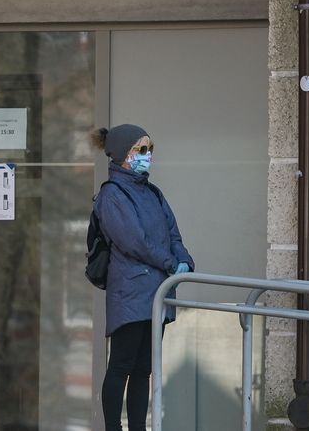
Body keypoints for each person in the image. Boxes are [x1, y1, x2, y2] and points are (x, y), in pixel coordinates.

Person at [91, 124, 194, 431]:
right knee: (121, 365)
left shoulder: (153, 193)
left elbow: (172, 234)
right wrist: (170, 262)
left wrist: (184, 260)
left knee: (143, 369)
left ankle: (138, 426)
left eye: (150, 149)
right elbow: (133, 241)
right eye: (142, 150)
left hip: (157, 291)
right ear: (124, 154)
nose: (148, 155)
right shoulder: (112, 194)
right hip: (130, 292)